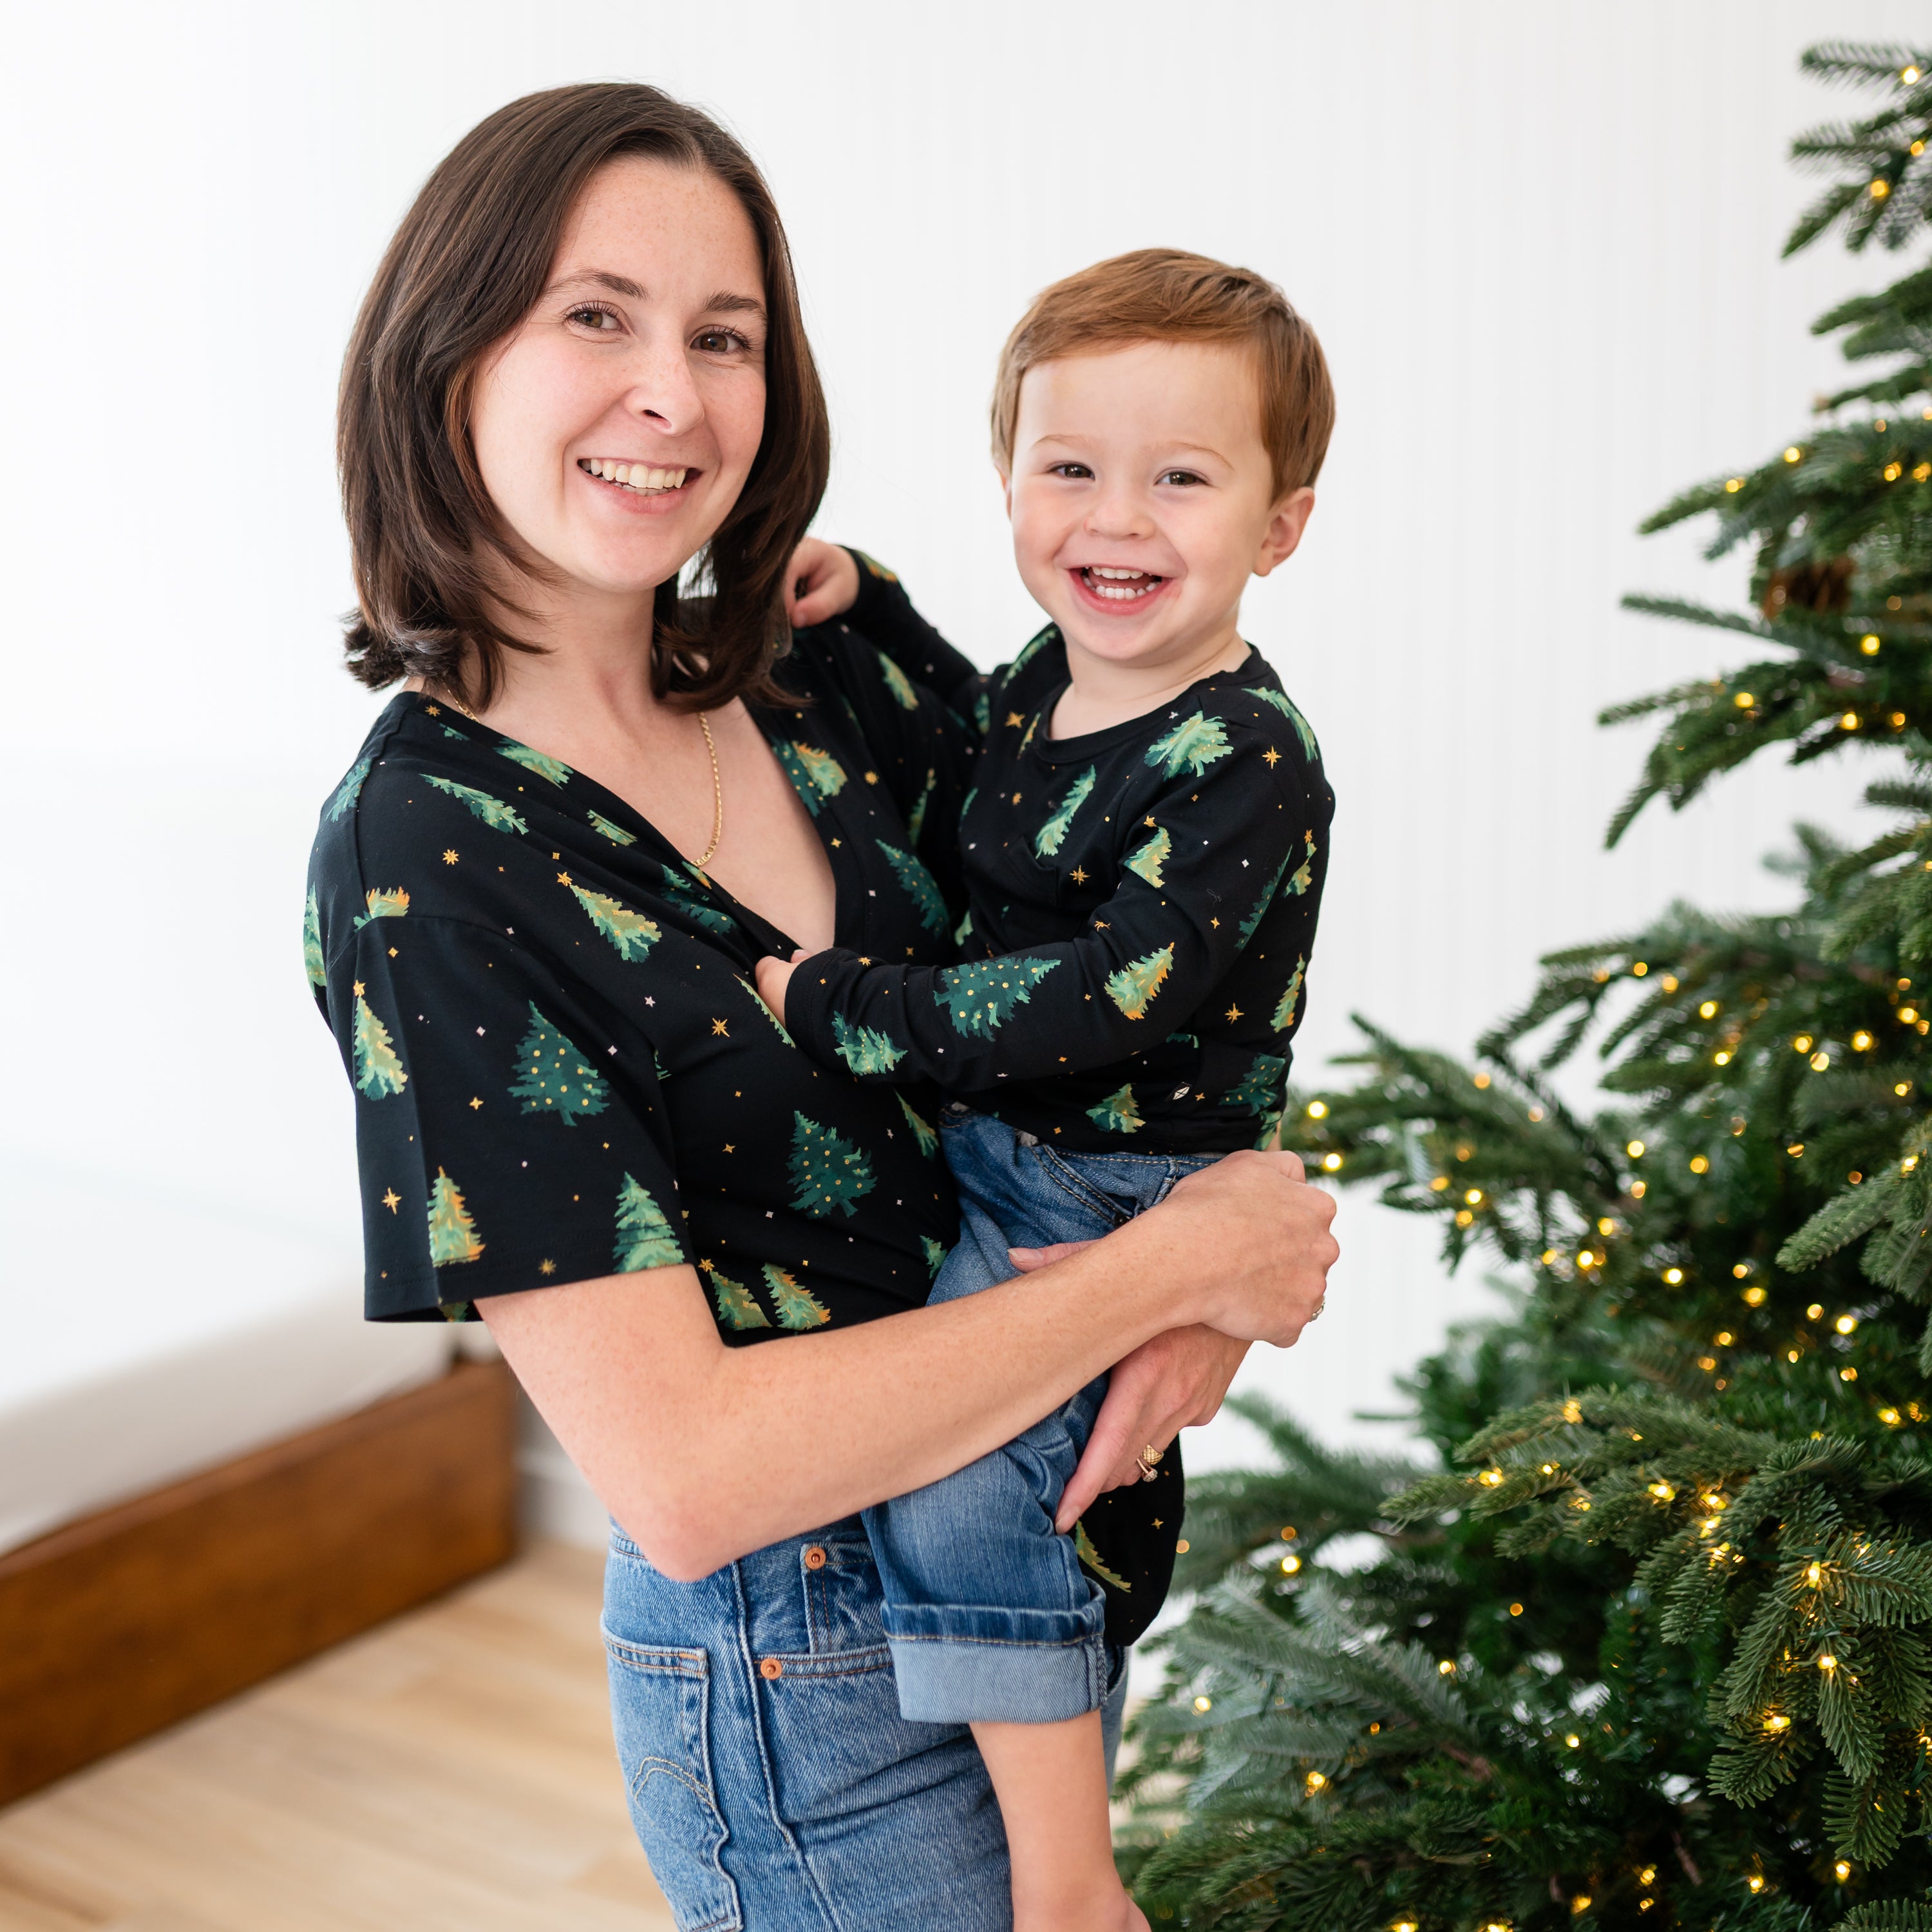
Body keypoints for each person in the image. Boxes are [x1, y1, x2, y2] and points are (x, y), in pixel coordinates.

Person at [307, 82, 1337, 1932]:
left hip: (1060, 1558)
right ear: (447, 355)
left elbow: (1141, 985)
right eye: (597, 316)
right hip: (810, 1692)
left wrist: (1209, 1290)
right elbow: (690, 1477)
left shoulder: (814, 675)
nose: (674, 396)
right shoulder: (431, 861)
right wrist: (1165, 1278)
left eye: (726, 338)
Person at [760, 250, 1333, 1932]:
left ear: (1280, 527)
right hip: (1009, 1142)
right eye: (1070, 467)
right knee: (1006, 1462)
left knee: (960, 1484)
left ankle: (1072, 1878)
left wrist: (846, 1007)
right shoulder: (1052, 672)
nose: (1117, 519)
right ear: (1009, 480)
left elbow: (1104, 1000)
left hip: (1110, 1175)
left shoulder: (1246, 759)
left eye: (1181, 478)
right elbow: (975, 760)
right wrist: (871, 608)